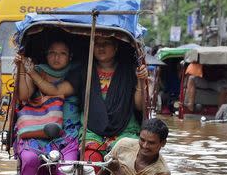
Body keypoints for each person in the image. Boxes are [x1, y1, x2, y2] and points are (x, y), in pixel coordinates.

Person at [20, 35, 148, 164]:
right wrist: (31, 72)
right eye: (97, 43)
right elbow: (55, 91)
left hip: (125, 131)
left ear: (115, 48)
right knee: (89, 164)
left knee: (126, 162)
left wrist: (141, 80)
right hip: (92, 132)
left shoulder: (130, 71)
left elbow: (139, 106)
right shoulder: (84, 71)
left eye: (106, 43)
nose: (101, 47)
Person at [14, 40, 80, 175]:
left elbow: (54, 91)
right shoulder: (36, 69)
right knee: (29, 159)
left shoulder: (77, 72)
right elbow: (24, 96)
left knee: (66, 168)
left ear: (70, 57)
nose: (57, 57)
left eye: (62, 53)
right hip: (36, 129)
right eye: (52, 53)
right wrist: (22, 69)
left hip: (68, 132)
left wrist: (32, 73)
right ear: (46, 55)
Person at [86, 118, 171, 175]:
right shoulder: (123, 145)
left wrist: (117, 171)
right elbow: (104, 171)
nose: (145, 146)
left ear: (163, 143)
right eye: (142, 140)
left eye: (151, 143)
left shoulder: (162, 172)